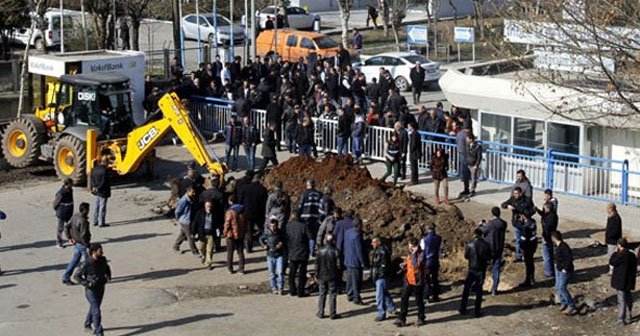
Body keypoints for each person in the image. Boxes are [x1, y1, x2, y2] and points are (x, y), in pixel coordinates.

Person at [75, 243, 111, 336]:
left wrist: (108, 276)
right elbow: (76, 276)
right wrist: (87, 283)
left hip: (101, 287)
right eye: (100, 250)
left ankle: (87, 324)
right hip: (90, 290)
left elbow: (107, 268)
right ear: (94, 252)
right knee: (96, 311)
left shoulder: (103, 259)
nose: (102, 252)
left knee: (95, 307)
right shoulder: (87, 263)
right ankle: (99, 332)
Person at [394, 237, 427, 327]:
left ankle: (421, 317)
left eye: (411, 247)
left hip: (418, 281)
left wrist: (413, 254)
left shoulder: (421, 254)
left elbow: (417, 266)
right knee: (404, 298)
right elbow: (410, 264)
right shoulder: (410, 253)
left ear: (416, 246)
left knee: (418, 300)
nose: (409, 248)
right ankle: (401, 318)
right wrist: (405, 265)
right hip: (408, 279)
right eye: (409, 246)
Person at [459, 228, 491, 318]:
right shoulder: (486, 245)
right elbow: (489, 257)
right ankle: (477, 311)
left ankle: (463, 308)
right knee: (479, 290)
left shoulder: (470, 244)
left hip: (472, 269)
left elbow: (466, 256)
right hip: (481, 269)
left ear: (475, 234)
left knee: (466, 289)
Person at [501, 187, 535, 262]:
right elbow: (503, 204)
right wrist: (508, 206)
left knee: (526, 241)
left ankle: (526, 255)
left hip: (526, 224)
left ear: (521, 193)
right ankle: (519, 256)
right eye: (514, 193)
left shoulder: (527, 200)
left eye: (516, 193)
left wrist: (526, 215)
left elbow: (533, 210)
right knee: (518, 241)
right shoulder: (513, 199)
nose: (515, 195)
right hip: (517, 224)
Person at [609, 237, 637, 325]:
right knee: (628, 298)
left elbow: (612, 262)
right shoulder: (631, 255)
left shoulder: (620, 255)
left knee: (621, 300)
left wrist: (615, 252)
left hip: (620, 281)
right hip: (629, 280)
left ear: (619, 245)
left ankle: (621, 319)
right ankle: (629, 317)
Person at [62, 202, 91, 285]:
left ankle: (66, 277)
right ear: (85, 210)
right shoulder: (83, 221)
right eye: (88, 209)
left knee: (74, 261)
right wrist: (87, 245)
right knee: (87, 261)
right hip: (82, 244)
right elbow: (84, 235)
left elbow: (66, 226)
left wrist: (69, 238)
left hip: (76, 242)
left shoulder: (75, 216)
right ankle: (84, 276)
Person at [237, 175, 268, 253]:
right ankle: (265, 243)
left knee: (249, 231)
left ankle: (249, 247)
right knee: (263, 228)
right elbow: (265, 202)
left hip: (247, 213)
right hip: (259, 213)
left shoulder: (244, 188)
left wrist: (241, 211)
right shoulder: (262, 189)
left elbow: (240, 201)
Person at [480, 207, 507, 295]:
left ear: (492, 214)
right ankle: (494, 289)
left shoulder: (490, 224)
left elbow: (482, 231)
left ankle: (479, 286)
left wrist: (482, 225)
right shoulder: (503, 223)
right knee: (496, 268)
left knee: (482, 267)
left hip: (489, 248)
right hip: (499, 248)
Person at [316, 234, 341, 319]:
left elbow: (317, 264)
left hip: (322, 275)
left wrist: (316, 274)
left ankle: (320, 312)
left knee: (322, 294)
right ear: (333, 240)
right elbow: (338, 265)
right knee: (332, 294)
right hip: (332, 276)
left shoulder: (320, 251)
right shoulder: (335, 251)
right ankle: (332, 313)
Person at [287, 210, 311, 297]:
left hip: (292, 252)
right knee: (302, 273)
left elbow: (286, 238)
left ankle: (292, 290)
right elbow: (310, 237)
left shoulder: (288, 226)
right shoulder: (304, 226)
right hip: (303, 252)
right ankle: (301, 291)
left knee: (292, 272)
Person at [551, 231, 577, 316]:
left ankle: (571, 305)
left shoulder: (564, 247)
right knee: (558, 286)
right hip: (558, 269)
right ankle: (563, 302)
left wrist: (565, 268)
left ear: (554, 238)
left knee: (562, 287)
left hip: (564, 271)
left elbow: (569, 258)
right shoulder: (558, 246)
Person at [371, 237, 396, 321]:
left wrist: (378, 275)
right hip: (381, 275)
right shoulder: (379, 250)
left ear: (379, 242)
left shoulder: (382, 252)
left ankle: (381, 313)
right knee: (384, 292)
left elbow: (383, 266)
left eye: (374, 242)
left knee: (379, 295)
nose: (372, 244)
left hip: (381, 276)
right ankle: (391, 307)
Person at [298, 179, 324, 255]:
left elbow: (300, 206)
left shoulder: (304, 194)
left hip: (305, 218)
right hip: (315, 218)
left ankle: (308, 250)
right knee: (314, 234)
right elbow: (321, 206)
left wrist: (298, 216)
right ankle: (312, 250)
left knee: (306, 235)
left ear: (308, 185)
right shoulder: (319, 194)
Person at [260, 218, 286, 295]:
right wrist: (263, 245)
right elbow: (261, 239)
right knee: (272, 273)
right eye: (271, 226)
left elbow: (285, 239)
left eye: (274, 226)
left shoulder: (280, 232)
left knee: (280, 272)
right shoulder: (267, 232)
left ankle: (280, 287)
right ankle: (273, 287)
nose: (273, 228)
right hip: (270, 255)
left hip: (279, 255)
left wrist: (282, 243)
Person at [344, 220, 366, 305]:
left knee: (349, 279)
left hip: (348, 258)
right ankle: (356, 298)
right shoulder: (357, 235)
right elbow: (359, 250)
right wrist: (362, 261)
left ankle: (349, 294)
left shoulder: (347, 232)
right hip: (355, 261)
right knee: (356, 280)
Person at [223, 195, 246, 274]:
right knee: (240, 252)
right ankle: (241, 269)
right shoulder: (243, 210)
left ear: (230, 201)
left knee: (230, 252)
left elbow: (227, 223)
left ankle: (230, 268)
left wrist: (225, 232)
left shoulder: (230, 211)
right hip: (240, 234)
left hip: (231, 234)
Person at [173, 187, 199, 256]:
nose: (194, 193)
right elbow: (177, 211)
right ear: (188, 192)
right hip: (185, 221)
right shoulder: (183, 200)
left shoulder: (190, 198)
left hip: (188, 220)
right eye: (192, 192)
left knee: (183, 234)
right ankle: (195, 251)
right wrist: (178, 219)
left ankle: (175, 246)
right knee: (190, 236)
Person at [420, 223, 442, 303]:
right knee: (435, 279)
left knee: (426, 280)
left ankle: (426, 297)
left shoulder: (424, 239)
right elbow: (440, 250)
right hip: (435, 261)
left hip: (426, 262)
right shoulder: (439, 238)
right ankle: (435, 296)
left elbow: (422, 251)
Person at [192, 200, 217, 270]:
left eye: (210, 206)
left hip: (211, 234)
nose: (209, 207)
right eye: (208, 206)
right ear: (205, 206)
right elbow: (195, 223)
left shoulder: (214, 214)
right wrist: (193, 233)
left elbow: (217, 224)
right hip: (202, 234)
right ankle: (204, 256)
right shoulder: (200, 213)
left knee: (210, 250)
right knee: (201, 248)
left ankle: (208, 263)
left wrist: (218, 233)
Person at [515, 215, 537, 287]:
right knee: (531, 263)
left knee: (528, 264)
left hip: (527, 247)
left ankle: (529, 280)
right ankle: (531, 279)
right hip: (533, 245)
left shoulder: (525, 227)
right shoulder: (533, 222)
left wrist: (521, 247)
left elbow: (523, 239)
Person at [537, 203, 558, 278]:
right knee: (549, 254)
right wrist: (537, 210)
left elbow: (547, 229)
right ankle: (550, 270)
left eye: (544, 208)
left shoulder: (551, 217)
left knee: (546, 255)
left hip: (547, 238)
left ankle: (548, 272)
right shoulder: (551, 215)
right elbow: (543, 214)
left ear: (548, 209)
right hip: (549, 237)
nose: (543, 210)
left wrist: (545, 238)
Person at [53, 178, 74, 248]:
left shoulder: (70, 190)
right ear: (67, 185)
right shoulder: (61, 193)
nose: (72, 185)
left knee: (69, 227)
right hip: (62, 213)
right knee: (60, 228)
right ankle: (59, 242)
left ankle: (70, 239)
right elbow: (55, 204)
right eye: (71, 184)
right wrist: (58, 210)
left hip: (69, 212)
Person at [91, 156, 111, 227]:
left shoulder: (95, 169)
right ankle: (101, 222)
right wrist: (98, 188)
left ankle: (95, 221)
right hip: (103, 191)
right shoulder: (104, 171)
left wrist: (94, 187)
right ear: (105, 162)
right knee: (102, 207)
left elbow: (92, 178)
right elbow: (104, 182)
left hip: (96, 191)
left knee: (96, 206)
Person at [605, 203, 622, 274]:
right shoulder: (611, 216)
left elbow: (615, 231)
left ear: (611, 209)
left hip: (613, 241)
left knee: (613, 255)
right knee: (611, 254)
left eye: (607, 209)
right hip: (610, 240)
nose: (606, 210)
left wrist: (609, 235)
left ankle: (613, 269)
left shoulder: (615, 218)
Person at [455, 123, 470, 198]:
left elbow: (457, 141)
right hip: (465, 152)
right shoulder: (466, 135)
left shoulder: (459, 134)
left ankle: (462, 177)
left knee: (462, 165)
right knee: (465, 167)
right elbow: (467, 145)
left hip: (460, 151)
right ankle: (464, 178)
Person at [465, 133, 482, 197]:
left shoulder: (477, 146)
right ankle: (467, 189)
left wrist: (476, 165)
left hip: (473, 164)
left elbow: (479, 157)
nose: (466, 140)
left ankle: (472, 190)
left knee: (473, 178)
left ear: (471, 139)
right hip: (468, 163)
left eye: (467, 139)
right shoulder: (467, 145)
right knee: (467, 177)